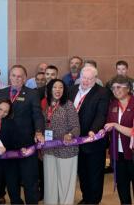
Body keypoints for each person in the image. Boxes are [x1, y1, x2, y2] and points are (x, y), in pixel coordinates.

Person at [0, 65, 45, 204]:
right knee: (11, 181)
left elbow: (38, 115)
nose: (17, 78)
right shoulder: (0, 92)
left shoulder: (32, 93)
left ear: (25, 78)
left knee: (30, 180)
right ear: (9, 77)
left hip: (26, 144)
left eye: (20, 76)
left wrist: (39, 131)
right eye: (14, 75)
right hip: (6, 145)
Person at [68, 65, 109, 205]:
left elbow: (101, 114)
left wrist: (94, 130)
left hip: (93, 141)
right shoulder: (72, 90)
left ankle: (94, 201)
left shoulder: (102, 92)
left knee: (94, 174)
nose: (85, 81)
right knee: (83, 173)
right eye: (84, 78)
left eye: (89, 79)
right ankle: (86, 198)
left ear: (95, 79)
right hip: (75, 141)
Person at [42, 79, 80, 204]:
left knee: (65, 182)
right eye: (55, 87)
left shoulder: (68, 104)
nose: (58, 90)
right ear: (49, 89)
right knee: (50, 181)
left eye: (61, 87)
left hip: (66, 149)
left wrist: (70, 135)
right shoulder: (46, 105)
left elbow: (76, 127)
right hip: (49, 149)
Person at [104, 75, 134, 205]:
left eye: (118, 87)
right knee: (122, 186)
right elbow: (107, 124)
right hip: (118, 153)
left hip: (132, 153)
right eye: (113, 88)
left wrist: (115, 125)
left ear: (128, 88)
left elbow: (131, 131)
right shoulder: (112, 105)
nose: (115, 90)